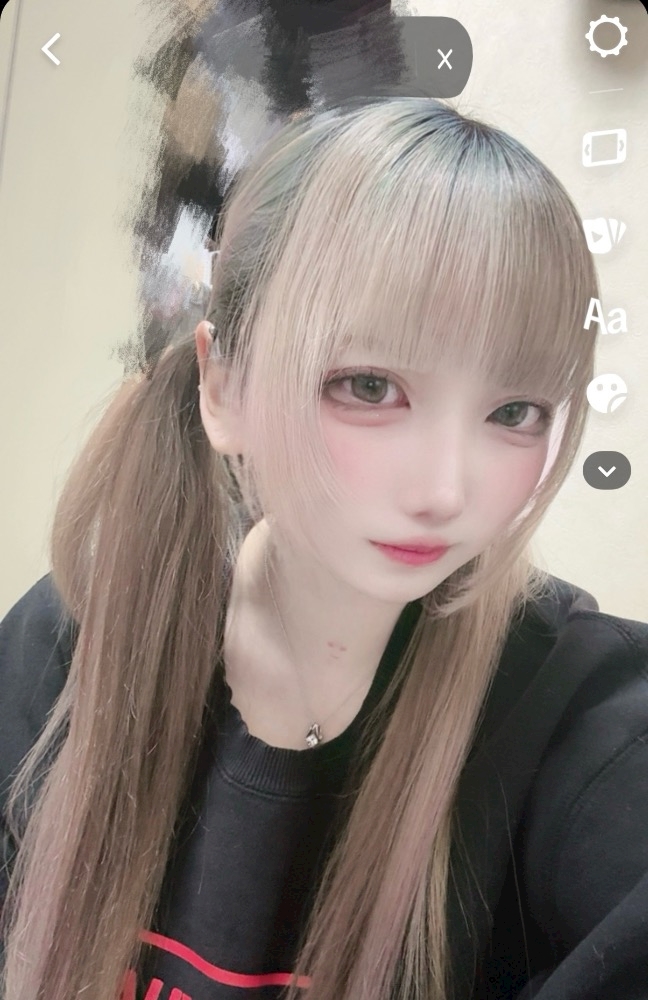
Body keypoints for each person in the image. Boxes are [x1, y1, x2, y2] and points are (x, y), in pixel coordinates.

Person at [1, 96, 647, 1000]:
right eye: (369, 386)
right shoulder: (72, 640)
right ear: (222, 387)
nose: (444, 492)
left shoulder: (581, 719)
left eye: (514, 411)